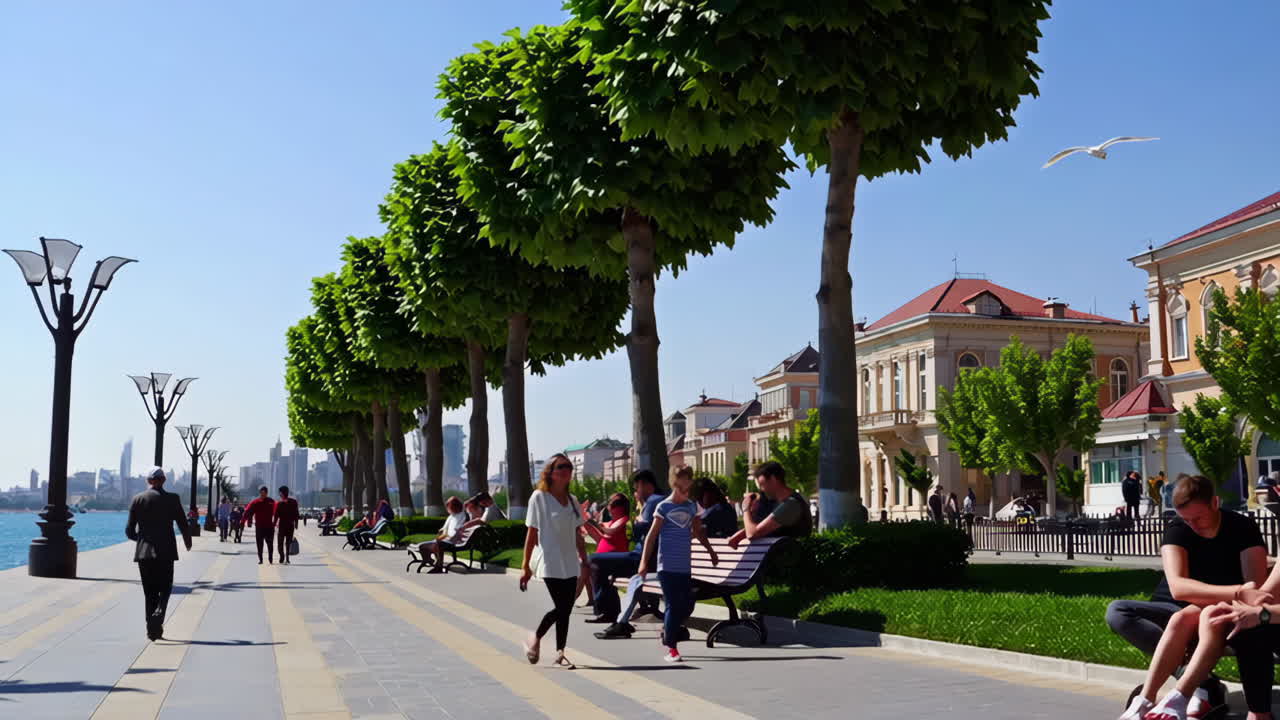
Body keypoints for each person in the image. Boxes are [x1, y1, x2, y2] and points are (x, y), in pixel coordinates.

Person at [1110, 475, 1269, 720]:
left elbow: (1254, 588)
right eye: (1186, 519)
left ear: (1215, 503)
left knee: (1193, 617)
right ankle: (1194, 683)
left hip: (1221, 609)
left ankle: (1179, 693)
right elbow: (1179, 588)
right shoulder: (1178, 528)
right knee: (1118, 611)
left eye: (1199, 518)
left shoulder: (1242, 527)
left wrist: (1234, 595)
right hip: (1174, 606)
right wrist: (1237, 591)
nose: (1193, 526)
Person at [636, 467, 718, 663]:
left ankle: (668, 629)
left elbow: (698, 532)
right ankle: (672, 647)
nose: (686, 492)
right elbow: (652, 536)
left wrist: (711, 551)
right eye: (682, 488)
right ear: (674, 484)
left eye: (688, 487)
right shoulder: (663, 507)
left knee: (687, 604)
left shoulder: (692, 507)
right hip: (666, 566)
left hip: (684, 566)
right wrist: (643, 563)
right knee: (673, 604)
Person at [520, 453, 587, 668]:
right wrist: (525, 566)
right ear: (551, 472)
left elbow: (577, 533)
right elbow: (531, 533)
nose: (566, 470)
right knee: (563, 606)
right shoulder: (539, 497)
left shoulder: (573, 501)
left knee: (566, 608)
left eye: (569, 467)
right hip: (549, 561)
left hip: (570, 562)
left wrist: (585, 560)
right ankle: (535, 637)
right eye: (561, 466)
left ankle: (560, 653)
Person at [589, 470, 666, 637]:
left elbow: (640, 531)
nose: (636, 491)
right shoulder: (659, 500)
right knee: (598, 565)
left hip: (643, 559)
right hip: (646, 557)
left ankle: (608, 612)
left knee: (594, 560)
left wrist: (638, 516)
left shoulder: (653, 501)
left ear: (646, 485)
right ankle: (612, 614)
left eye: (636, 487)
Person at [125, 467, 192, 641]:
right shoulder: (173, 498)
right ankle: (160, 611)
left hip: (144, 552)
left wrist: (142, 540)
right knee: (166, 586)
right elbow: (183, 523)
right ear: (164, 480)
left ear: (148, 481)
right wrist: (188, 541)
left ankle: (152, 630)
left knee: (149, 592)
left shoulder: (137, 499)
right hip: (166, 551)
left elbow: (129, 531)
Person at [728, 461, 813, 549]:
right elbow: (761, 527)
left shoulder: (791, 505)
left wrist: (746, 509)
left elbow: (752, 534)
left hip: (790, 556)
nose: (761, 490)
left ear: (773, 479)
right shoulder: (781, 503)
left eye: (762, 485)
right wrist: (738, 537)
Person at [420, 497, 483, 573]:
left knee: (438, 544)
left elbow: (456, 532)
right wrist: (442, 531)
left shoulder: (462, 516)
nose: (447, 509)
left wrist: (446, 538)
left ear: (454, 507)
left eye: (448, 507)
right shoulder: (451, 516)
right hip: (447, 540)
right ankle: (430, 561)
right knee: (422, 546)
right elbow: (445, 529)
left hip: (455, 542)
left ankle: (439, 566)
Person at [242, 486, 278, 564]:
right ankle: (260, 559)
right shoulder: (255, 502)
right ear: (259, 493)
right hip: (259, 527)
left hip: (269, 526)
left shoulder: (271, 502)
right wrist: (243, 521)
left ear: (267, 493)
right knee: (259, 544)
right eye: (261, 493)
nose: (262, 495)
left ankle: (270, 558)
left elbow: (277, 511)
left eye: (264, 493)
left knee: (270, 544)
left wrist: (276, 522)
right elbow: (248, 511)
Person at [274, 486, 300, 565]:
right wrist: (296, 523)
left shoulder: (280, 503)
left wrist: (273, 525)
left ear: (282, 493)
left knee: (281, 543)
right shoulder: (293, 502)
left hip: (283, 525)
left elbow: (276, 515)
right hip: (289, 525)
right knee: (287, 542)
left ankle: (283, 556)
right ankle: (286, 557)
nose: (279, 494)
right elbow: (296, 514)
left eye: (280, 492)